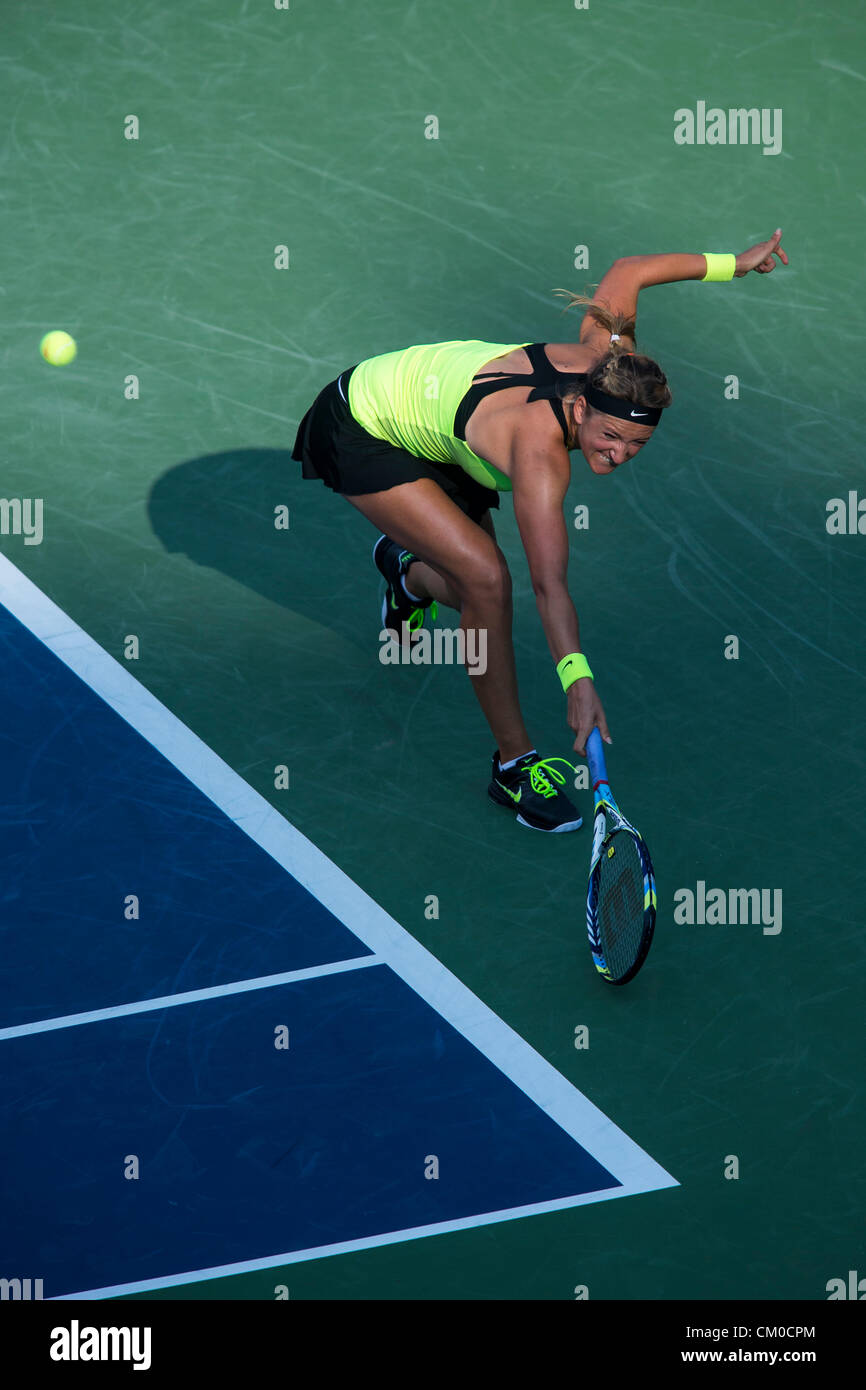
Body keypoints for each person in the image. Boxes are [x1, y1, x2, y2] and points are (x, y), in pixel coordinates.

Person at [292, 231, 787, 832]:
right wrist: (577, 680)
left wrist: (734, 264)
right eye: (609, 437)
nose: (619, 454)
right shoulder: (539, 458)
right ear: (580, 411)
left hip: (448, 433)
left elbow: (629, 270)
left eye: (638, 443)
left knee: (470, 587)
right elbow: (549, 586)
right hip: (363, 424)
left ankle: (407, 573)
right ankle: (514, 766)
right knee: (486, 580)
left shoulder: (611, 361)